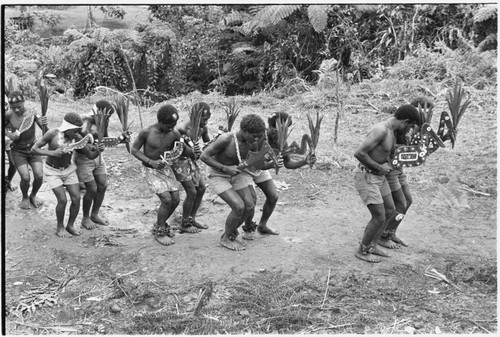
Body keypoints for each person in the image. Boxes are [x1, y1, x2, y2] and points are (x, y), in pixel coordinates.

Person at [200, 114, 282, 251]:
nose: (256, 139)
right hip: (217, 174)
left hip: (237, 173)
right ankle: (226, 237)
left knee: (249, 205)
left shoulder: (252, 143)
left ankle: (232, 231)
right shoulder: (226, 139)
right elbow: (204, 156)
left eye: (259, 136)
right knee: (238, 206)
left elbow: (255, 165)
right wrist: (225, 168)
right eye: (254, 135)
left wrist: (272, 165)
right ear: (244, 131)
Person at [353, 104, 422, 263]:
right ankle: (362, 251)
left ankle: (374, 245)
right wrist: (378, 166)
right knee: (379, 216)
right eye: (410, 127)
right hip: (367, 175)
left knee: (390, 209)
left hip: (379, 176)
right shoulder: (381, 130)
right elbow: (359, 153)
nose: (409, 131)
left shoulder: (392, 131)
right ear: (405, 122)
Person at [131, 104, 200, 246]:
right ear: (160, 121)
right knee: (167, 199)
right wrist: (151, 161)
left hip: (166, 169)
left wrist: (194, 151)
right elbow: (134, 150)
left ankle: (159, 225)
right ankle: (160, 231)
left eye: (174, 125)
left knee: (175, 199)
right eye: (169, 125)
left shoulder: (174, 133)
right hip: (151, 170)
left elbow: (183, 150)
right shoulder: (147, 132)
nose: (171, 128)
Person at [242, 112, 316, 240]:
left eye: (286, 129)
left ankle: (262, 225)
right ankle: (248, 226)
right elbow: (251, 162)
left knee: (273, 196)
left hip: (262, 168)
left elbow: (288, 163)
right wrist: (270, 164)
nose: (282, 131)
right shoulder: (257, 136)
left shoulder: (281, 140)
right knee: (251, 201)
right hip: (247, 169)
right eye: (279, 128)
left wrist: (305, 161)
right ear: (270, 125)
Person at [382, 97, 435, 248]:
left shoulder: (414, 127)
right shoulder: (399, 126)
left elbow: (414, 149)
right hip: (391, 168)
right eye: (422, 110)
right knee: (400, 203)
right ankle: (383, 235)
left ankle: (391, 231)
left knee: (408, 201)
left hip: (399, 169)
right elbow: (394, 149)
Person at [74, 100, 129, 229]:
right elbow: (79, 144)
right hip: (84, 159)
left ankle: (94, 214)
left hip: (98, 158)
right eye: (106, 116)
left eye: (108, 117)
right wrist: (93, 148)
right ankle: (85, 218)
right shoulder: (83, 120)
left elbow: (104, 140)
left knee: (103, 185)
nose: (107, 119)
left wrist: (121, 139)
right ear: (98, 111)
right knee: (91, 189)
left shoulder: (103, 121)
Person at [31, 112, 84, 237]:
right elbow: (34, 149)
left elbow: (87, 148)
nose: (76, 133)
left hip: (68, 169)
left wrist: (98, 148)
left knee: (76, 198)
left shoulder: (75, 137)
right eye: (75, 130)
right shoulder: (53, 134)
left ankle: (70, 225)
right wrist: (52, 153)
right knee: (62, 200)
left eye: (78, 131)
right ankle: (60, 227)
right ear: (67, 128)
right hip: (52, 170)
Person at [4, 91, 47, 209]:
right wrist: (9, 134)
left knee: (39, 175)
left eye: (19, 107)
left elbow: (44, 130)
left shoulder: (32, 112)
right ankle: (25, 197)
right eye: (13, 108)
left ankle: (33, 195)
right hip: (18, 150)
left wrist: (44, 124)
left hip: (33, 148)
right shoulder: (8, 114)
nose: (16, 110)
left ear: (24, 102)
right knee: (25, 177)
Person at [174, 102, 212, 230]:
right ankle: (185, 223)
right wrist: (193, 151)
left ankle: (192, 218)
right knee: (191, 191)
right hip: (180, 162)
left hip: (192, 161)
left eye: (207, 119)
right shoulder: (183, 129)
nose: (206, 122)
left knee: (201, 188)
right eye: (204, 119)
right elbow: (179, 149)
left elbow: (209, 145)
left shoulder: (203, 129)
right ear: (195, 116)